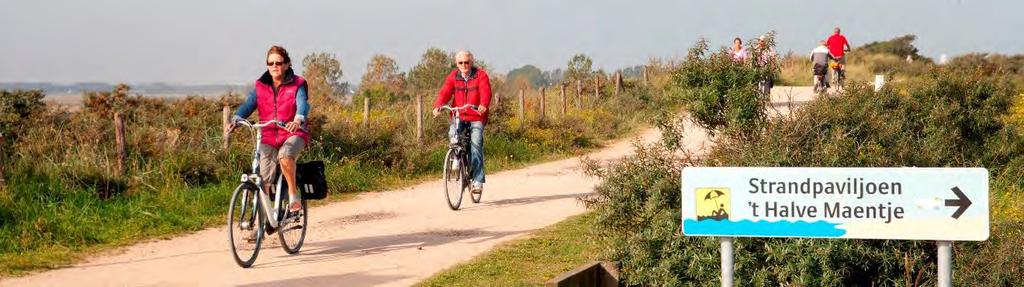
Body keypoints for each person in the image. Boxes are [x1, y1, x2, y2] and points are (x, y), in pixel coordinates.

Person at [229, 45, 310, 213]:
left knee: (285, 155)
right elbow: (248, 105)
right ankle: (262, 221)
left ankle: (294, 195)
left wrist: (298, 119)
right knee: (263, 179)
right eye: (271, 63)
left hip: (292, 132)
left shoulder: (297, 84)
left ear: (287, 64)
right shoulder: (260, 86)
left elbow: (303, 104)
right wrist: (236, 119)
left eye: (278, 63)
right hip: (268, 136)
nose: (274, 66)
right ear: (267, 65)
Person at [432, 50, 492, 194]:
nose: (464, 65)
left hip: (476, 116)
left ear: (472, 62)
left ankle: (477, 181)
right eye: (461, 62)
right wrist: (438, 105)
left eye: (467, 62)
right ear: (456, 63)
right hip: (459, 115)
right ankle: (457, 162)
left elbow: (486, 91)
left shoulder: (480, 75)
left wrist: (483, 104)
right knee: (453, 137)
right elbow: (445, 91)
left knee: (476, 144)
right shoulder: (453, 76)